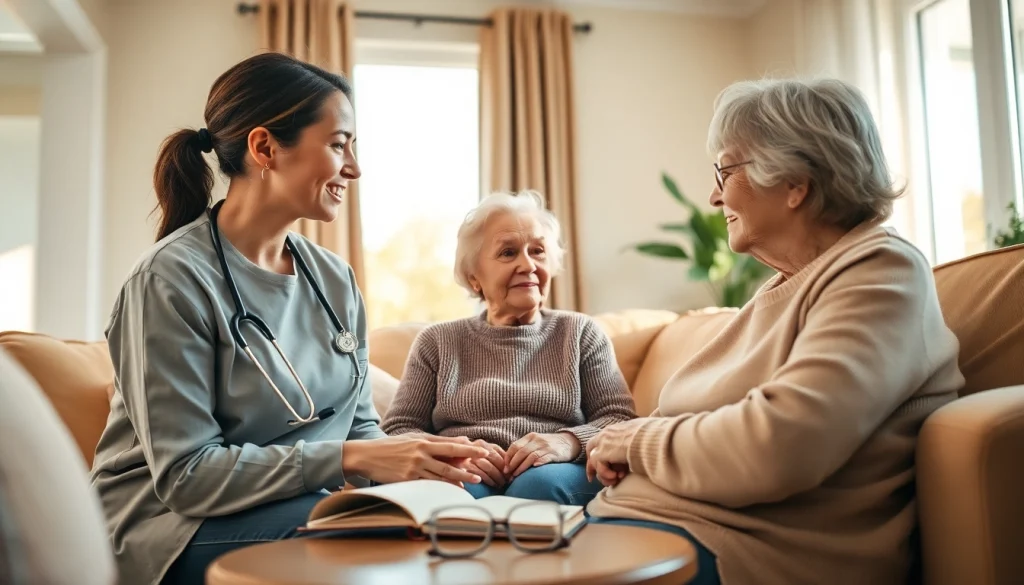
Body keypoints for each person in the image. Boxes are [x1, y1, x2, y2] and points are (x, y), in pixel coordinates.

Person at [88, 52, 490, 585]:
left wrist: (424, 466)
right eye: (338, 144)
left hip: (298, 502)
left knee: (469, 515)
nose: (354, 168)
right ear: (264, 147)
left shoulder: (333, 278)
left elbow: (359, 424)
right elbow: (186, 477)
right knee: (372, 547)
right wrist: (348, 462)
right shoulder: (169, 281)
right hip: (169, 525)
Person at [584, 78, 965, 585]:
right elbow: (691, 419)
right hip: (662, 518)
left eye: (725, 170)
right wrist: (611, 443)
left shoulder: (880, 272)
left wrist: (637, 442)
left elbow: (780, 445)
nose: (714, 196)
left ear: (793, 182)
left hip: (746, 551)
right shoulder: (783, 287)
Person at [380, 191, 637, 506]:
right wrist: (452, 456)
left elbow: (619, 419)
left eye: (538, 251)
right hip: (467, 474)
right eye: (508, 253)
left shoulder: (581, 333)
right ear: (475, 278)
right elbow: (397, 430)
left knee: (536, 489)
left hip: (556, 471)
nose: (527, 264)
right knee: (450, 493)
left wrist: (568, 442)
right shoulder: (438, 341)